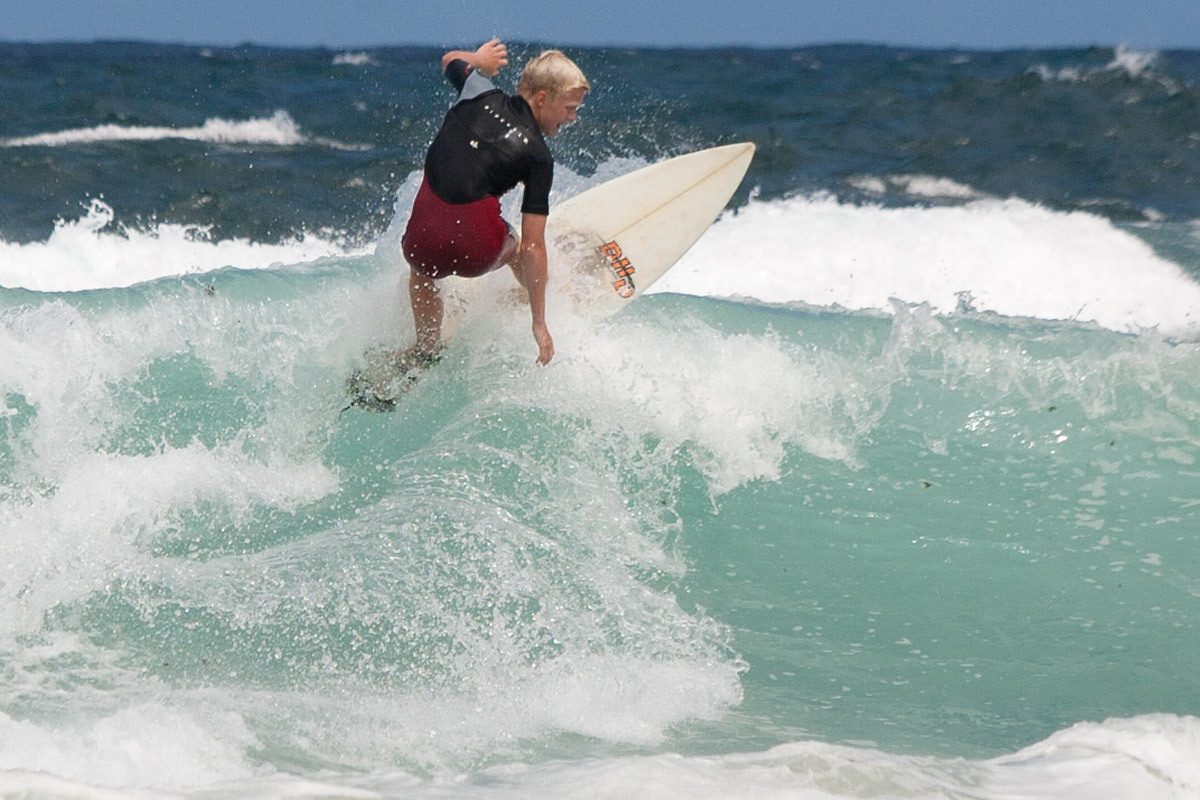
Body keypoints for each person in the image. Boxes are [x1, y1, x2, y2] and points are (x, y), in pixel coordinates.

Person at [400, 39, 590, 367]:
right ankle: (533, 297)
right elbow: (534, 247)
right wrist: (539, 323)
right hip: (478, 256)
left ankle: (426, 348)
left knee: (422, 270)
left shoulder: (477, 90)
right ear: (542, 98)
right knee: (516, 245)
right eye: (569, 108)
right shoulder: (538, 156)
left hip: (420, 247)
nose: (572, 118)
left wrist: (480, 59)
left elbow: (449, 59)